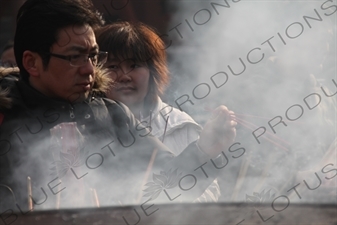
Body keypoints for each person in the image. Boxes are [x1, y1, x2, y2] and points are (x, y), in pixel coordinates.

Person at [0, 0, 236, 213]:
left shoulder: (112, 115)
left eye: (93, 56)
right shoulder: (4, 117)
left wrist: (203, 151)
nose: (90, 69)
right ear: (32, 62)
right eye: (75, 57)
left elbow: (160, 183)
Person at [95, 21, 224, 202]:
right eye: (113, 67)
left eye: (134, 65)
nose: (124, 76)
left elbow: (209, 197)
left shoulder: (181, 126)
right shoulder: (88, 127)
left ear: (154, 72)